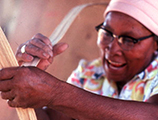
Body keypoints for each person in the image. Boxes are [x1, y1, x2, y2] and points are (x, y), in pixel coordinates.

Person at [0, 0, 158, 119]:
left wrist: (56, 93)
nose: (113, 49)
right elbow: (50, 118)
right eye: (107, 33)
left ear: (155, 44)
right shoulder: (89, 73)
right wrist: (27, 75)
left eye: (129, 39)